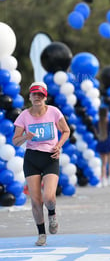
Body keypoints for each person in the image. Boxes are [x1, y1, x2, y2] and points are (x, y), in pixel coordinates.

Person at [12, 82, 70, 246]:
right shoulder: (24, 115)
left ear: (45, 97)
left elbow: (66, 131)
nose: (37, 97)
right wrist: (25, 137)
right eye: (34, 94)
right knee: (36, 201)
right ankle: (41, 234)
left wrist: (59, 145)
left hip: (50, 157)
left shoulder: (54, 112)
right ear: (29, 97)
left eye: (40, 95)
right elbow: (15, 141)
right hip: (32, 158)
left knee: (49, 197)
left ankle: (52, 214)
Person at [94, 107, 110, 187]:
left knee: (103, 163)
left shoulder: (97, 123)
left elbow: (96, 132)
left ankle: (103, 180)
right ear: (106, 113)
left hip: (101, 142)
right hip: (109, 143)